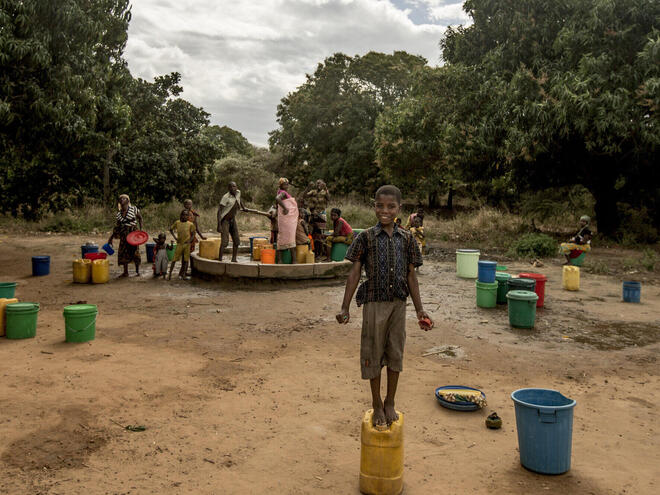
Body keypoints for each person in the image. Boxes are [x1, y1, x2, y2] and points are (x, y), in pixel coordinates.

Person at [336, 185, 433, 427]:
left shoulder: (408, 239)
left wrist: (420, 310)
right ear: (374, 206)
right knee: (372, 353)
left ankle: (390, 400)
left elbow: (411, 276)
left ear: (399, 209)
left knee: (395, 353)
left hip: (398, 305)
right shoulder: (365, 237)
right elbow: (354, 274)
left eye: (390, 207)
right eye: (380, 206)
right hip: (373, 304)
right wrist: (345, 307)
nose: (385, 211)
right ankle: (376, 402)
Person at [107, 194, 143, 278]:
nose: (122, 199)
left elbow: (140, 218)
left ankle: (137, 271)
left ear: (128, 200)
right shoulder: (119, 214)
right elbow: (117, 227)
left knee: (135, 251)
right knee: (123, 252)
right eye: (120, 199)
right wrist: (111, 238)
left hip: (133, 233)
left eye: (124, 198)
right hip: (124, 234)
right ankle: (125, 272)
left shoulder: (134, 209)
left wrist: (141, 230)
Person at [217, 181, 247, 263]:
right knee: (225, 242)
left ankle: (234, 259)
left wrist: (243, 208)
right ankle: (219, 260)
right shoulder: (225, 197)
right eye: (232, 187)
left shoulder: (238, 192)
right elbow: (219, 211)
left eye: (235, 186)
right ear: (229, 188)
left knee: (237, 241)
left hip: (233, 220)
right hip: (225, 221)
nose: (233, 188)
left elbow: (239, 200)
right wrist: (219, 225)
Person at [275, 178, 298, 264]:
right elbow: (277, 199)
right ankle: (294, 260)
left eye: (287, 184)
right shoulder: (282, 193)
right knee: (289, 237)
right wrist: (285, 208)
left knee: (283, 237)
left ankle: (280, 260)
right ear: (280, 185)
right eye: (284, 184)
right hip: (287, 220)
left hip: (285, 219)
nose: (286, 186)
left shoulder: (282, 192)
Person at [168, 210, 196, 280]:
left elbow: (193, 234)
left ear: (188, 216)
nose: (185, 216)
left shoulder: (190, 224)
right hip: (179, 244)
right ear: (181, 215)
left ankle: (183, 275)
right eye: (183, 215)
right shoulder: (177, 223)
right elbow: (171, 229)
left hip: (187, 245)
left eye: (186, 215)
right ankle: (170, 274)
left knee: (186, 260)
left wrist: (189, 241)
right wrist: (175, 237)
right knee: (174, 260)